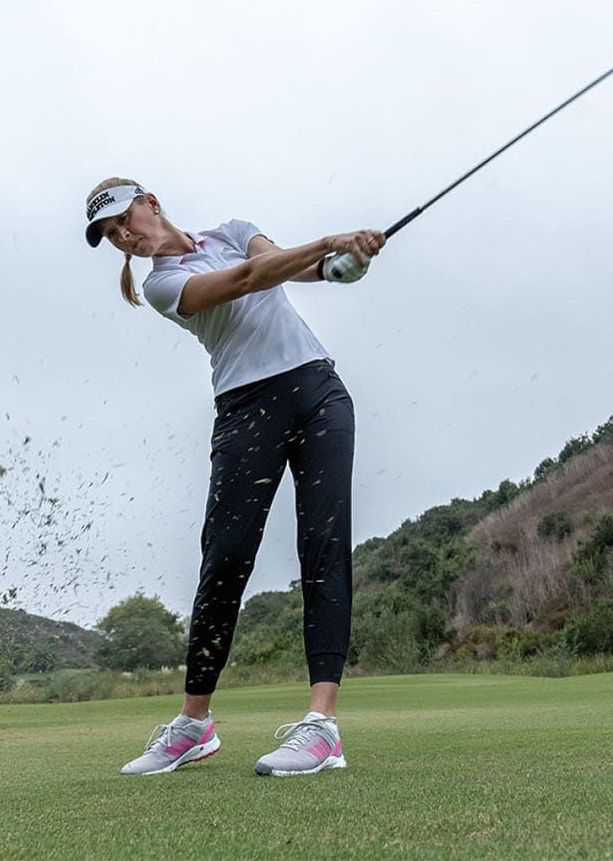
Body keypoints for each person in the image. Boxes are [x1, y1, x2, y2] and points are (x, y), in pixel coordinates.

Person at [83, 178, 385, 777]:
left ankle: (322, 726)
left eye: (124, 219)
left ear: (151, 202)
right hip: (248, 408)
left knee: (324, 549)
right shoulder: (162, 284)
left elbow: (280, 266)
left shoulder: (233, 232)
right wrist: (330, 240)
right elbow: (251, 281)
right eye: (112, 234)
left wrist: (342, 264)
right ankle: (195, 724)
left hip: (319, 391)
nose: (124, 235)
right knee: (225, 559)